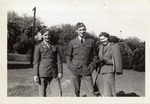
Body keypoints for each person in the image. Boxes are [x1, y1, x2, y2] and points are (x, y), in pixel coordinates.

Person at [66, 22, 98, 97]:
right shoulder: (72, 42)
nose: (82, 32)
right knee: (75, 92)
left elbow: (95, 56)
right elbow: (68, 56)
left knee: (91, 92)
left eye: (83, 29)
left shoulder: (91, 41)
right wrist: (70, 66)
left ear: (85, 30)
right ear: (76, 31)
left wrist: (92, 66)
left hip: (87, 69)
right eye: (80, 30)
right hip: (75, 70)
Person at [33, 29, 63, 97]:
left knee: (58, 93)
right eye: (45, 35)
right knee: (42, 94)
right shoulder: (38, 47)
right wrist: (35, 75)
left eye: (48, 35)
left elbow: (59, 61)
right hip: (42, 73)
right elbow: (36, 62)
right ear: (42, 36)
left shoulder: (55, 46)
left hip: (54, 73)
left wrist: (60, 72)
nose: (47, 36)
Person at [97, 32, 123, 97]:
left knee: (108, 91)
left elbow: (117, 61)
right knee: (101, 90)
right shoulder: (100, 47)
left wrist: (107, 61)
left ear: (108, 38)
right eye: (101, 39)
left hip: (109, 71)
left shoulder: (114, 46)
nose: (102, 41)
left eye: (104, 39)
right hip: (100, 71)